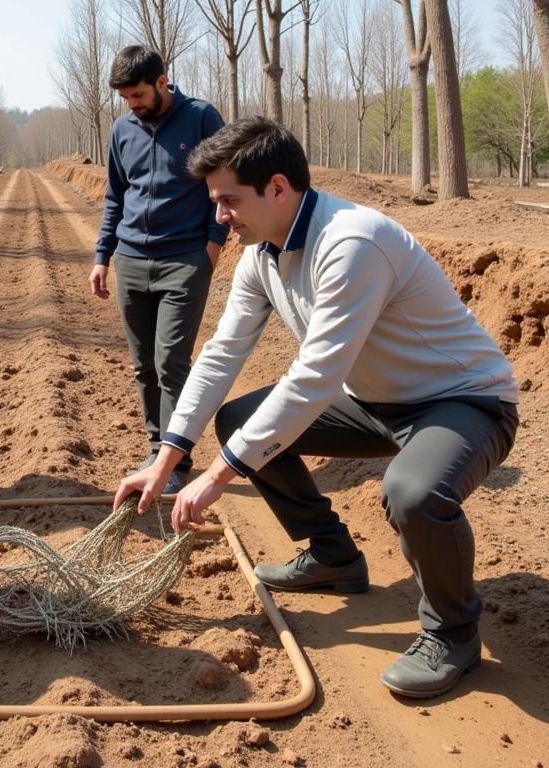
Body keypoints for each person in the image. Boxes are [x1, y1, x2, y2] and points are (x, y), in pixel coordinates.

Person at [114, 115, 518, 700]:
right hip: (373, 402)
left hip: (461, 400)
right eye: (215, 203)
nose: (220, 216)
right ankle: (334, 558)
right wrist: (168, 454)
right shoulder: (261, 253)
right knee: (239, 420)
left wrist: (219, 475)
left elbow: (313, 378)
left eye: (229, 201)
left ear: (278, 188)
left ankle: (453, 633)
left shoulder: (351, 242)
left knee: (413, 493)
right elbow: (222, 352)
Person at [90, 44, 228, 493]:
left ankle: (177, 461)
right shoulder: (122, 130)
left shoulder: (202, 118)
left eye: (138, 95)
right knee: (142, 364)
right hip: (131, 260)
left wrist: (213, 244)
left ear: (162, 82)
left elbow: (224, 181)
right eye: (126, 98)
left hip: (184, 258)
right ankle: (156, 447)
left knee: (171, 360)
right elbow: (115, 197)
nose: (132, 105)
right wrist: (102, 257)